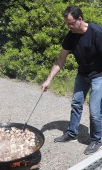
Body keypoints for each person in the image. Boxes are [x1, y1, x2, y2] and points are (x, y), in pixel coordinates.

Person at [42, 5, 102, 155]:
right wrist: (49, 80)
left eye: (71, 23)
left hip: (99, 76)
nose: (69, 27)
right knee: (76, 103)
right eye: (67, 24)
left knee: (95, 110)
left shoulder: (97, 33)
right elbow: (60, 59)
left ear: (80, 19)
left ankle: (96, 139)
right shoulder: (71, 36)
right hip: (82, 75)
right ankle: (71, 133)